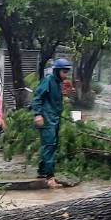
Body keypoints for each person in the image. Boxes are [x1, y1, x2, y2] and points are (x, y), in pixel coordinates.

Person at [31, 58, 71, 189]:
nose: (65, 74)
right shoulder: (48, 80)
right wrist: (37, 114)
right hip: (47, 118)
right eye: (64, 71)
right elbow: (37, 97)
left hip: (54, 118)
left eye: (66, 72)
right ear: (57, 71)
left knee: (51, 145)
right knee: (49, 145)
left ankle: (42, 171)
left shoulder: (57, 83)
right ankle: (50, 177)